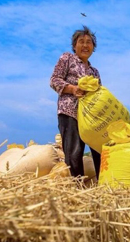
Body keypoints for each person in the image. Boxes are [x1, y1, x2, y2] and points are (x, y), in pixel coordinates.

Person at [49, 27, 102, 181]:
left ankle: (101, 186)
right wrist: (72, 89)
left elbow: (100, 94)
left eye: (89, 42)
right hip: (70, 112)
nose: (85, 45)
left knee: (98, 150)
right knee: (74, 152)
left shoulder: (94, 72)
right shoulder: (67, 59)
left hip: (91, 118)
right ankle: (77, 188)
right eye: (81, 42)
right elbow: (54, 80)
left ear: (93, 47)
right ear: (74, 46)